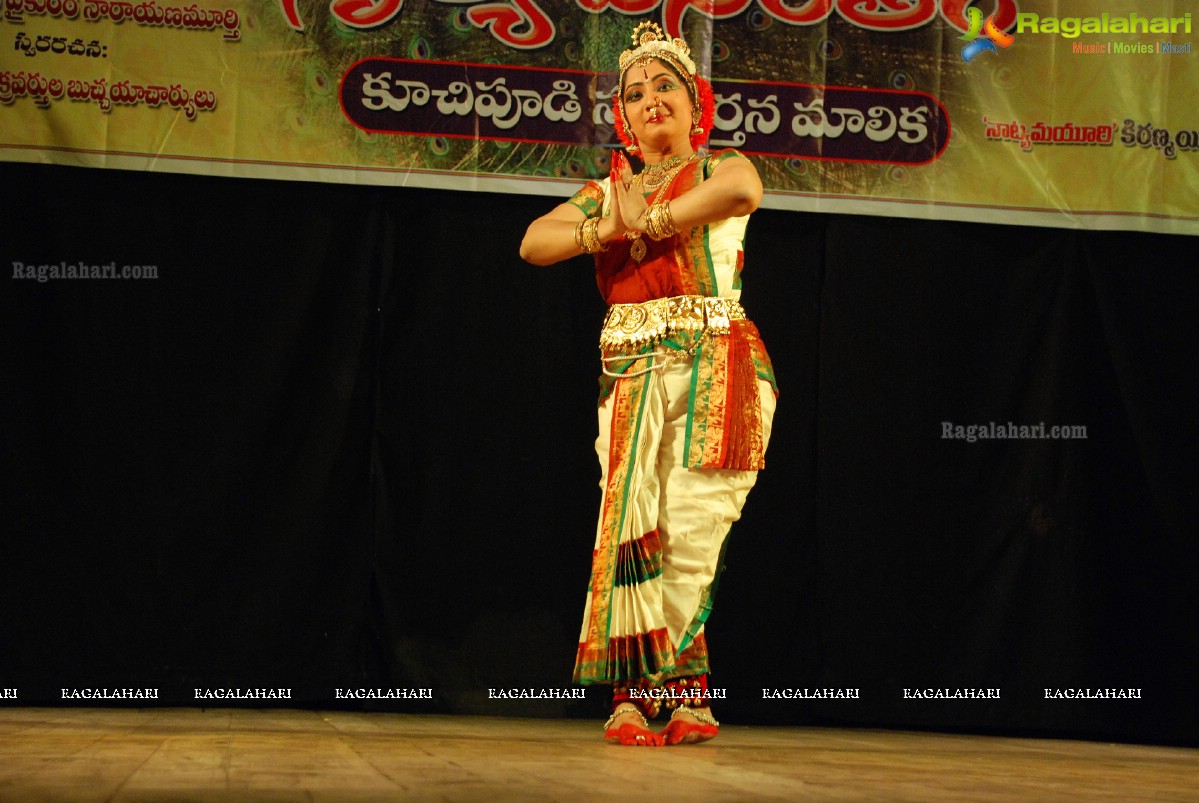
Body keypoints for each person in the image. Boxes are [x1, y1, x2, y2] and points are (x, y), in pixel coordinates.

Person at [519, 21, 778, 746]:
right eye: (635, 93)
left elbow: (742, 192)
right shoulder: (605, 189)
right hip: (630, 378)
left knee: (694, 530)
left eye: (665, 85)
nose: (649, 100)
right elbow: (534, 241)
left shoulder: (720, 164)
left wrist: (652, 217)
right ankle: (639, 696)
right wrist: (605, 227)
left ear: (696, 107)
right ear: (622, 116)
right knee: (637, 529)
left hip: (715, 367)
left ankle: (680, 689)